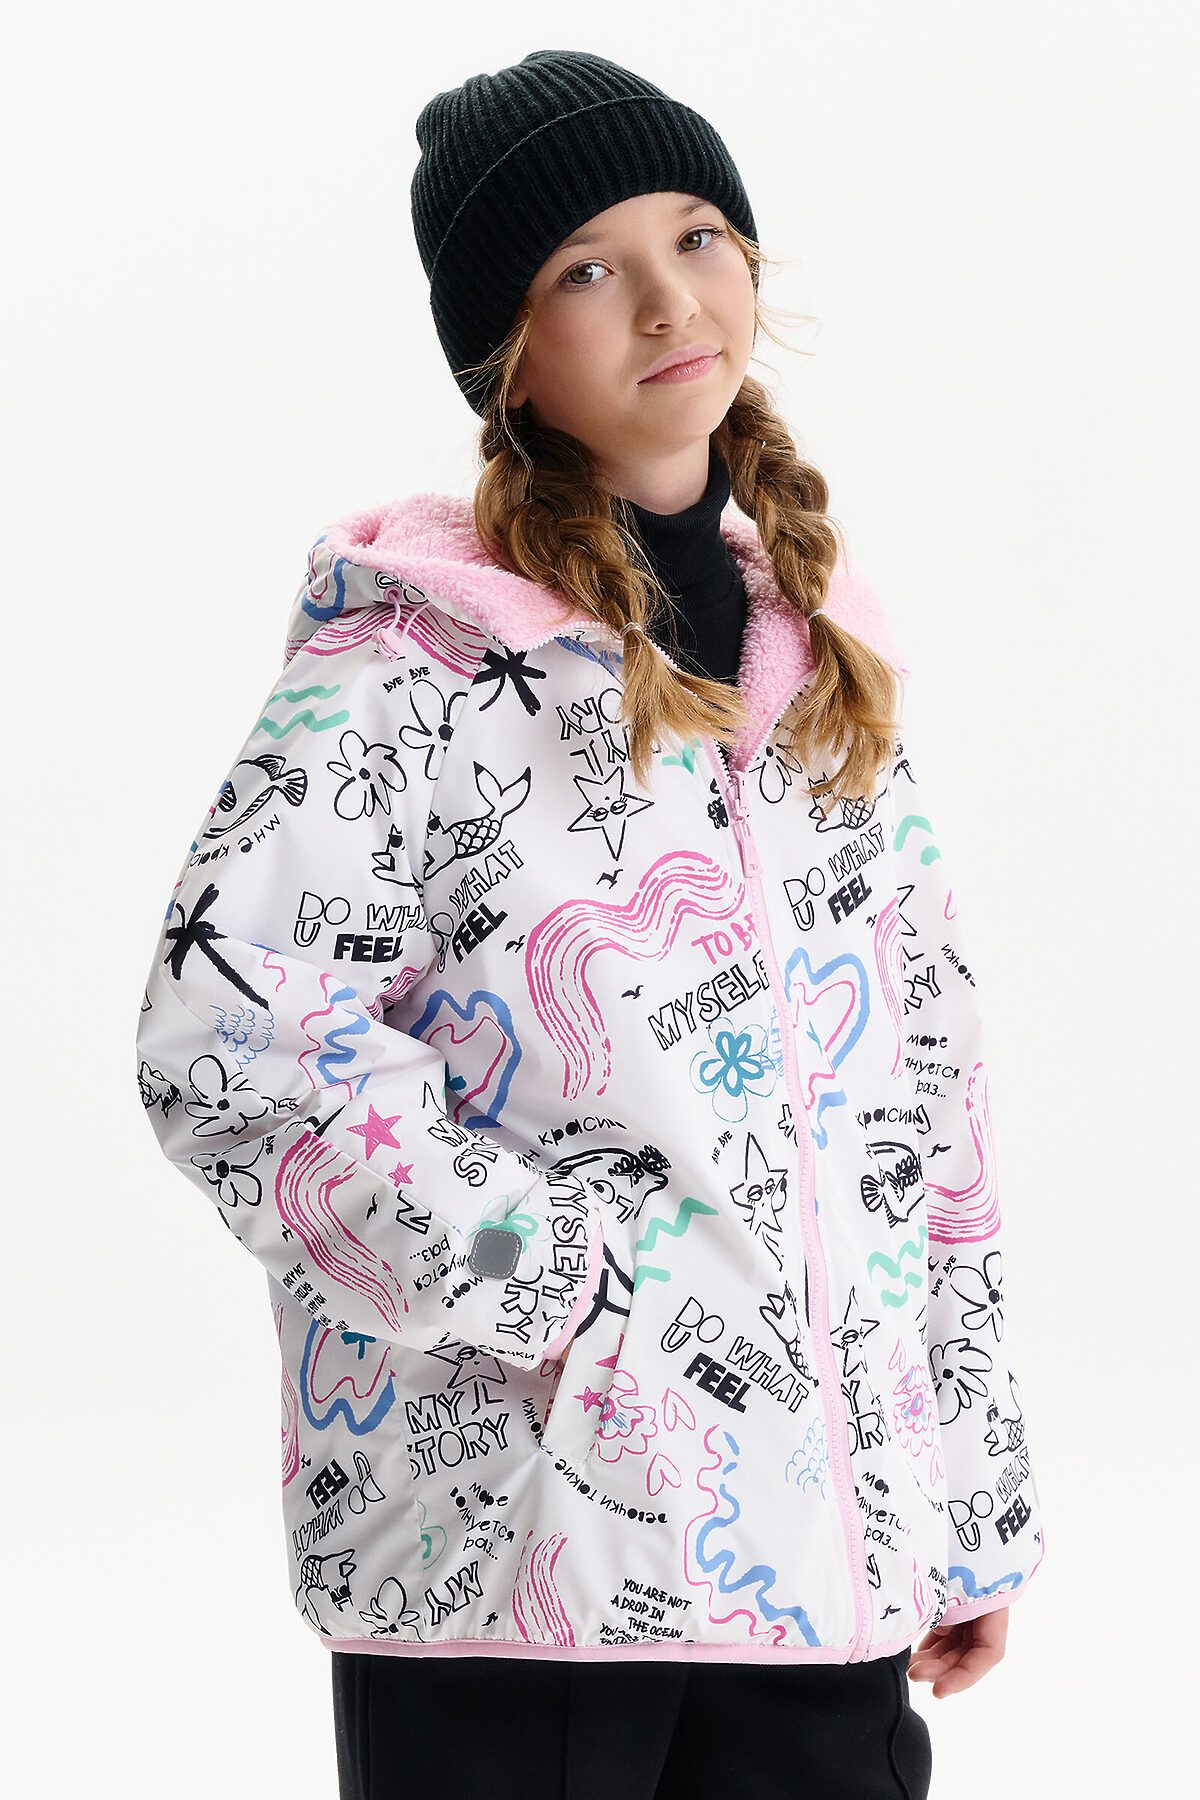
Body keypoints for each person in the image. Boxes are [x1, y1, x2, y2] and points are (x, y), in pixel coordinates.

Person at [134, 48, 1046, 1800]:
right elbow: (231, 1036)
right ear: (512, 357)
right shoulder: (405, 678)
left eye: (697, 235)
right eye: (585, 268)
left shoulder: (824, 684)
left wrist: (964, 1498)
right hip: (519, 1581)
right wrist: (560, 1287)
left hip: (819, 1582)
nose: (667, 300)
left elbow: (926, 1103)